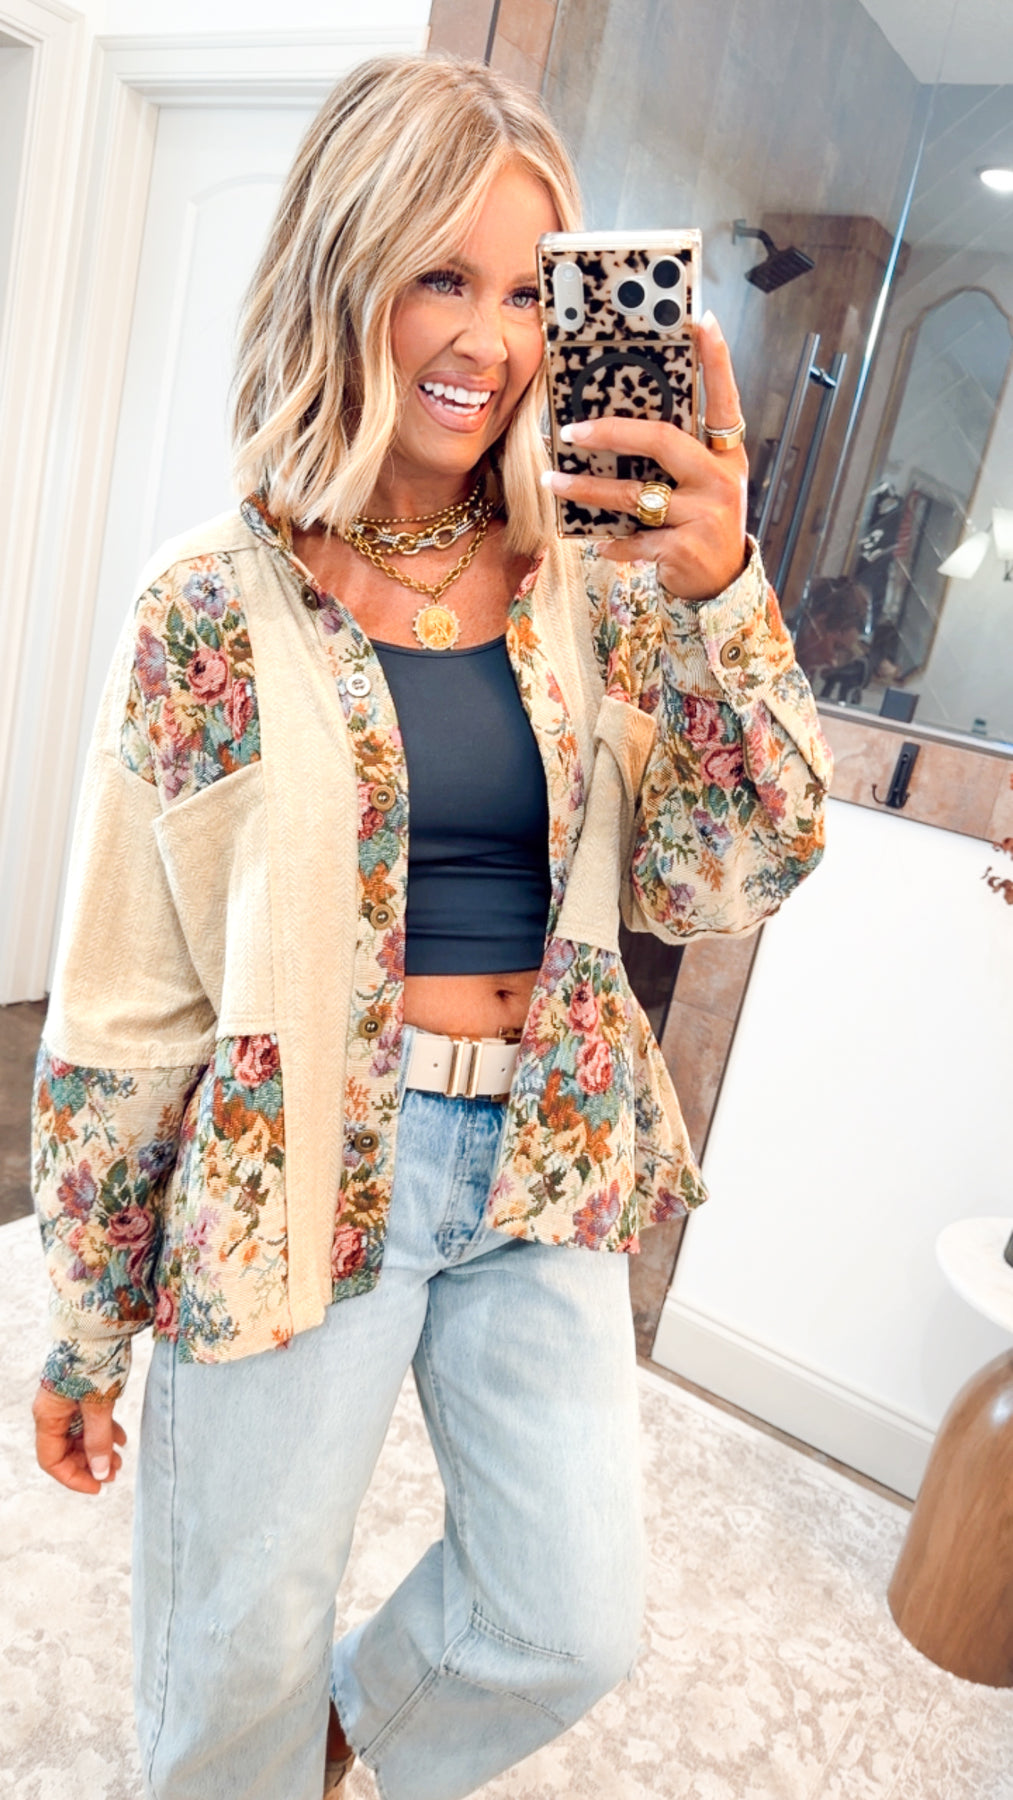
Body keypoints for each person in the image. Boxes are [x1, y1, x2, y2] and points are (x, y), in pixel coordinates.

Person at [30, 53, 832, 1800]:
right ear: (344, 274)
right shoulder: (205, 608)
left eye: (530, 293)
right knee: (231, 1648)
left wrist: (723, 589)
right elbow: (125, 996)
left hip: (546, 1154)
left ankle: (322, 1751)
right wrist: (86, 1323)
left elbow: (731, 874)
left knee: (567, 1620)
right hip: (300, 1156)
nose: (489, 340)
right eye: (438, 277)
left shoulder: (604, 584)